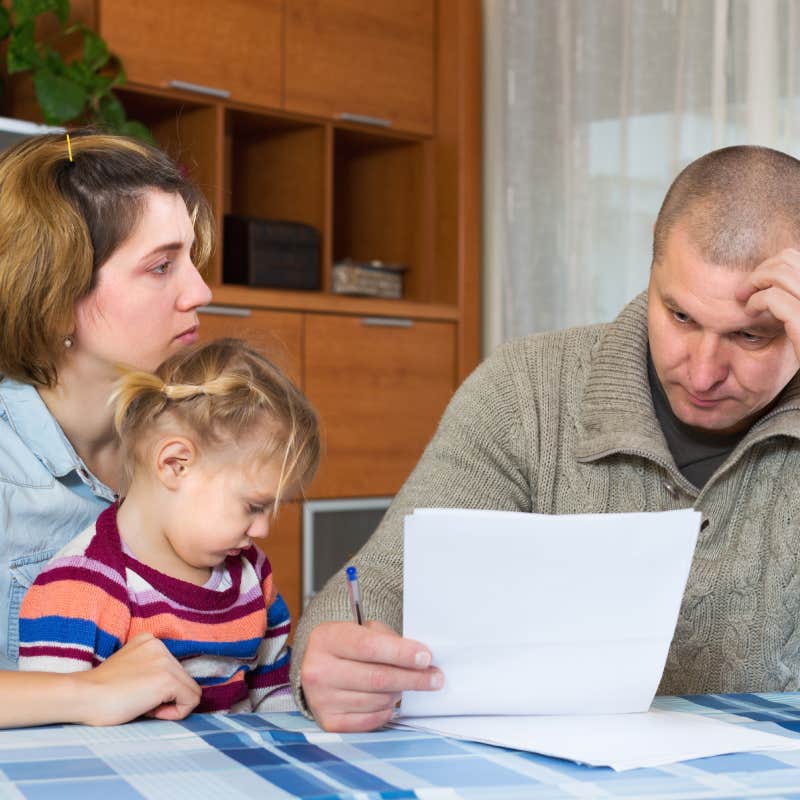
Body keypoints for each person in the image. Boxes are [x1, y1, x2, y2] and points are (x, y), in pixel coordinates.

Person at [291, 144, 800, 732]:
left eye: (751, 337)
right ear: (651, 271)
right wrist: (333, 662)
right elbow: (380, 587)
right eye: (680, 317)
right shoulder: (527, 390)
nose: (704, 370)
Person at [0, 129, 217, 726]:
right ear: (56, 293)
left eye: (192, 260)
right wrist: (87, 693)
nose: (200, 291)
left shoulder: (186, 444)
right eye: (162, 266)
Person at [18, 338, 320, 713]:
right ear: (175, 464)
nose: (262, 530)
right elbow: (56, 726)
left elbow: (275, 693)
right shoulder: (80, 588)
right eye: (253, 506)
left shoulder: (252, 574)